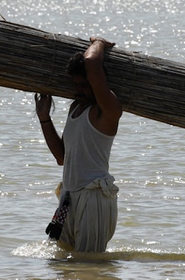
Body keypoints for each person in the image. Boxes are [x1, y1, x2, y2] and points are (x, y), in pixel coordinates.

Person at [35, 37, 123, 252]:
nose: (79, 90)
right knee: (60, 263)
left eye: (85, 85)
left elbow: (92, 63)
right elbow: (62, 158)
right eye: (76, 85)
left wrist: (99, 42)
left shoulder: (107, 111)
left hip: (94, 197)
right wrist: (44, 118)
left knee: (88, 264)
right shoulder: (76, 108)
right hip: (69, 196)